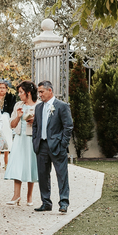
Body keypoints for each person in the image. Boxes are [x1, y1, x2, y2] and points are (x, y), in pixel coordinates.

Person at [32, 80, 73, 214]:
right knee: (43, 176)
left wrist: (63, 144)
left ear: (50, 91)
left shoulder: (61, 106)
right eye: (39, 92)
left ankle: (64, 202)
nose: (40, 95)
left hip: (57, 146)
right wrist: (35, 141)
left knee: (62, 175)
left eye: (42, 92)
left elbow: (68, 126)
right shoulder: (38, 107)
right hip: (41, 146)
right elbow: (35, 126)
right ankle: (46, 202)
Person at [4, 80, 39, 206]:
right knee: (17, 166)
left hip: (31, 139)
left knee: (30, 165)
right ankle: (16, 195)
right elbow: (12, 125)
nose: (19, 94)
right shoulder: (18, 104)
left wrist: (34, 121)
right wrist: (18, 116)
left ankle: (29, 196)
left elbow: (44, 124)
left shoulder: (38, 105)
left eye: (21, 92)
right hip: (19, 138)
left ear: (28, 93)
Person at [0, 80, 15, 171]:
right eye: (0, 88)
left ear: (6, 89)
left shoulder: (11, 97)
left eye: (4, 88)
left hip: (6, 120)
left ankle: (6, 162)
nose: (2, 89)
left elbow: (11, 110)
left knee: (7, 138)